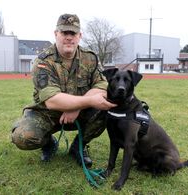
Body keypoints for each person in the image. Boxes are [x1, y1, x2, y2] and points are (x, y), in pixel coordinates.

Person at [11, 13, 116, 168]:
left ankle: (78, 146)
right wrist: (85, 102)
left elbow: (102, 85)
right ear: (56, 34)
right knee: (23, 137)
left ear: (79, 36)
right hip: (47, 114)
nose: (68, 37)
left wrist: (77, 107)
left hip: (80, 113)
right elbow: (52, 100)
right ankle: (48, 143)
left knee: (106, 110)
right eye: (64, 32)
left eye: (72, 33)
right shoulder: (44, 61)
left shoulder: (90, 58)